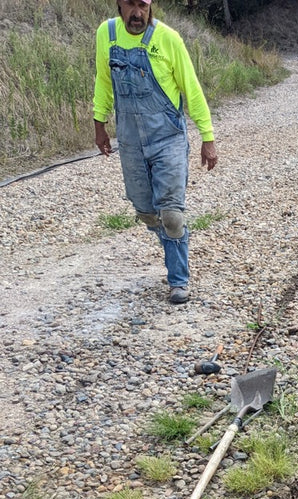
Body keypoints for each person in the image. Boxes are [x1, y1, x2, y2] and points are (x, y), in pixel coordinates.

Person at [93, 0, 218, 304]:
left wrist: (207, 137)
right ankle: (170, 241)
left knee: (172, 214)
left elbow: (191, 88)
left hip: (168, 139)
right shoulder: (106, 35)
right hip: (130, 142)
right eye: (130, 5)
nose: (137, 14)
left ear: (151, 6)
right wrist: (99, 124)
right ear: (118, 5)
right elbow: (103, 81)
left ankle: (178, 279)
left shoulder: (168, 39)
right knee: (146, 212)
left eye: (143, 5)